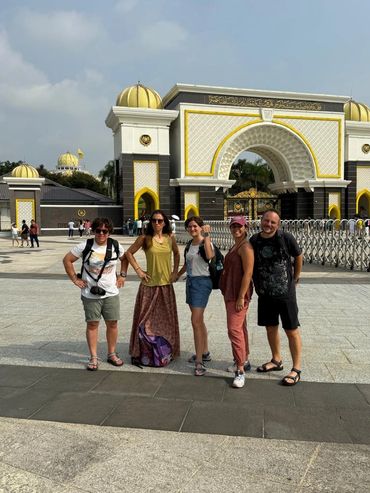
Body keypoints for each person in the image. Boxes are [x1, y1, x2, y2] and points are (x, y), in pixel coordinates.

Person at [63, 217, 128, 371]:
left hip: (111, 292)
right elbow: (67, 260)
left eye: (105, 231)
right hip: (90, 293)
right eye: (98, 230)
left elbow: (125, 259)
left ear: (109, 232)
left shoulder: (115, 245)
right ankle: (93, 356)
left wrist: (122, 275)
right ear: (93, 231)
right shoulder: (85, 245)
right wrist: (75, 279)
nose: (101, 234)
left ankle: (111, 353)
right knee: (92, 324)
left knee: (112, 323)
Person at [250, 209, 303, 386]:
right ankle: (276, 360)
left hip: (285, 294)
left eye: (273, 222)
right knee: (270, 328)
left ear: (278, 224)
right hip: (264, 294)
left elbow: (298, 255)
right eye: (266, 221)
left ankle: (296, 369)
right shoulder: (254, 240)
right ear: (261, 221)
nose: (269, 225)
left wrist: (295, 277)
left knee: (291, 330)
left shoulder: (286, 237)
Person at [125, 209, 180, 365]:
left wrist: (174, 271)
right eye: (154, 220)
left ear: (165, 223)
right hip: (149, 286)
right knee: (144, 319)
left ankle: (167, 349)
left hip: (165, 285)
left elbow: (176, 254)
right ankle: (140, 350)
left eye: (160, 220)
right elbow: (129, 253)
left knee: (166, 319)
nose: (157, 223)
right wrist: (139, 271)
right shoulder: (145, 238)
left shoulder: (170, 238)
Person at [176, 216, 214, 376]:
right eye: (189, 227)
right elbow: (186, 263)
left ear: (200, 227)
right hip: (190, 282)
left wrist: (206, 236)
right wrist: (176, 275)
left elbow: (210, 255)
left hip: (202, 283)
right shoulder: (190, 245)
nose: (192, 229)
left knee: (195, 321)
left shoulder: (205, 241)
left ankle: (199, 361)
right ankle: (204, 352)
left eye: (195, 226)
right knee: (198, 320)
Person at [220, 216, 254, 388]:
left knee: (234, 330)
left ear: (245, 227)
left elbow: (248, 273)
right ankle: (243, 360)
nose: (236, 229)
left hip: (238, 295)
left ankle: (240, 370)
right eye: (233, 226)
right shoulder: (236, 245)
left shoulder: (245, 247)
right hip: (231, 292)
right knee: (240, 328)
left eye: (239, 226)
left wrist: (241, 296)